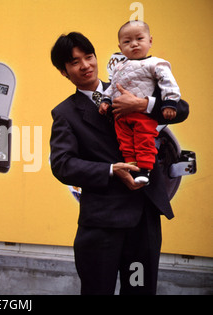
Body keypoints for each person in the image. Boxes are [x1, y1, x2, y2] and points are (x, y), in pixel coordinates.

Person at [49, 31, 189, 294]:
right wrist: (111, 170)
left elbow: (180, 109)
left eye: (88, 56)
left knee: (139, 290)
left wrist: (144, 104)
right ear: (64, 72)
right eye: (74, 62)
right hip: (102, 225)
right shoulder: (65, 114)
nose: (85, 65)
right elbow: (63, 164)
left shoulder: (134, 84)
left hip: (143, 217)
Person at [99, 21, 181, 184]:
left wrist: (169, 102)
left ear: (150, 41)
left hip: (142, 116)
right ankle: (132, 168)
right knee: (126, 143)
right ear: (120, 47)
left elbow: (168, 83)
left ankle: (144, 169)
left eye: (139, 39)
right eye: (127, 41)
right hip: (120, 117)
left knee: (144, 141)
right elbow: (113, 88)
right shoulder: (118, 68)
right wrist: (106, 100)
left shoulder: (156, 64)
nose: (134, 44)